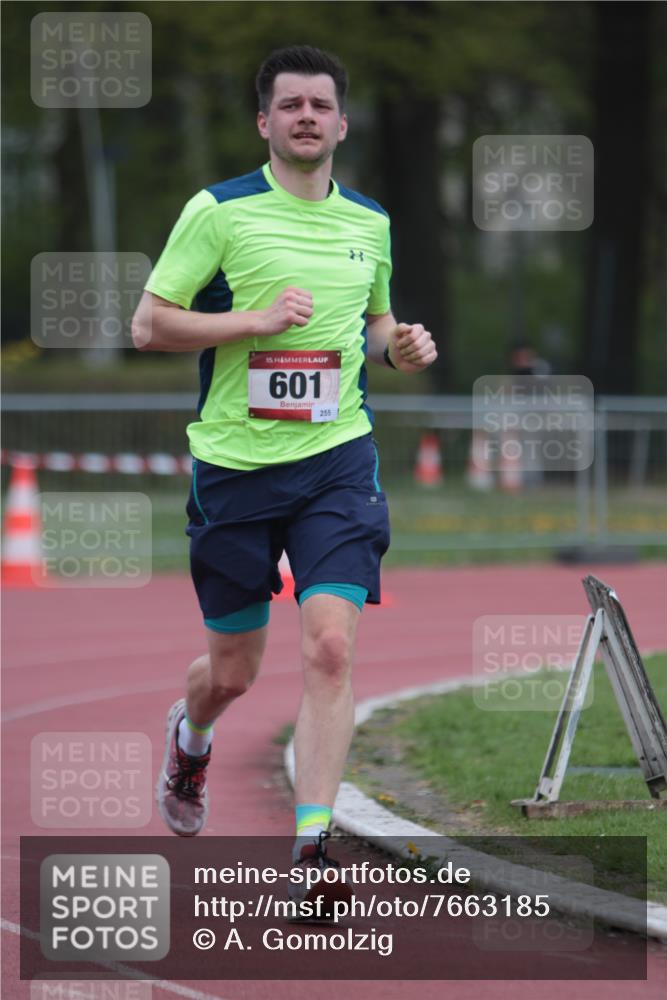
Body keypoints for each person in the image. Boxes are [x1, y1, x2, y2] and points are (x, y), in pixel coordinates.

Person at [132, 45, 437, 880]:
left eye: (320, 105)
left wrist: (401, 345)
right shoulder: (219, 211)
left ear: (341, 123)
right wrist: (253, 322)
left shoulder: (368, 221)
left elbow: (373, 326)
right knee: (232, 671)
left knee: (330, 647)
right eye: (290, 104)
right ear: (264, 122)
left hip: (337, 459)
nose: (306, 116)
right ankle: (191, 736)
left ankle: (311, 845)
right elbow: (149, 325)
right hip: (233, 465)